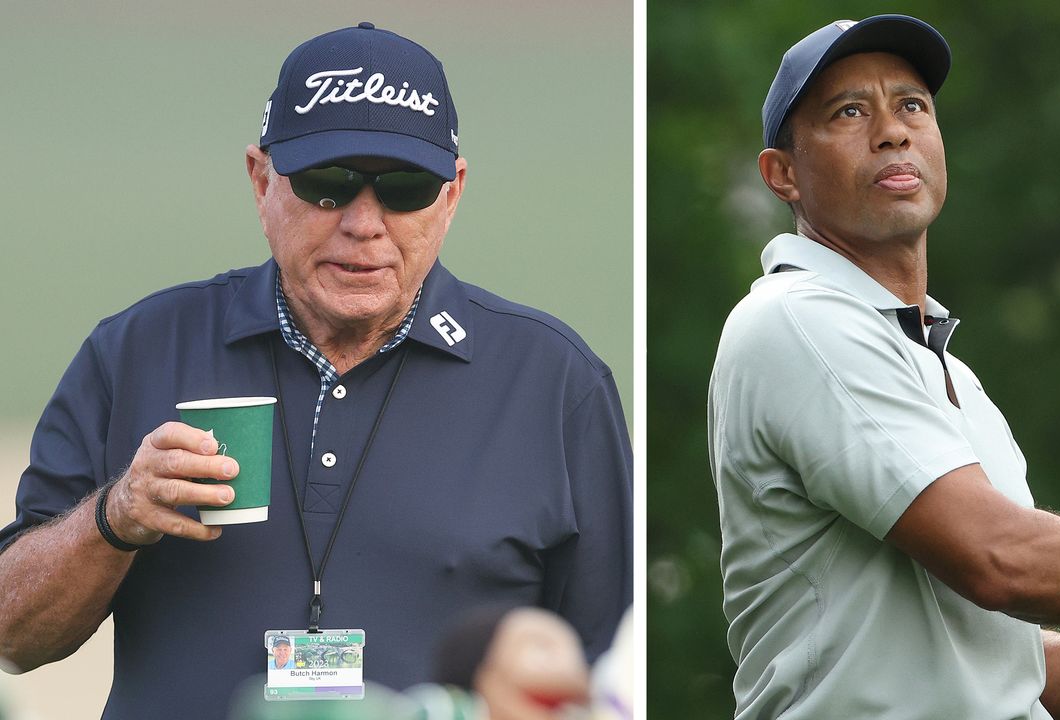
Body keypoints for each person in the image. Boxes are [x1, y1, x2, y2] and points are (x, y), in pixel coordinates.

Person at [0, 22, 631, 720]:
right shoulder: (139, 349)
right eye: (328, 185)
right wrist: (113, 519)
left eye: (405, 189)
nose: (364, 223)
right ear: (261, 179)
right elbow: (11, 634)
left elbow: (610, 676)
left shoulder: (556, 384)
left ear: (451, 195)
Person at [709, 14, 1060, 719]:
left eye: (912, 105)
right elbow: (1000, 558)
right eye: (848, 111)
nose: (892, 131)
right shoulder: (797, 319)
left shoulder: (951, 374)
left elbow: (1002, 673)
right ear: (783, 175)